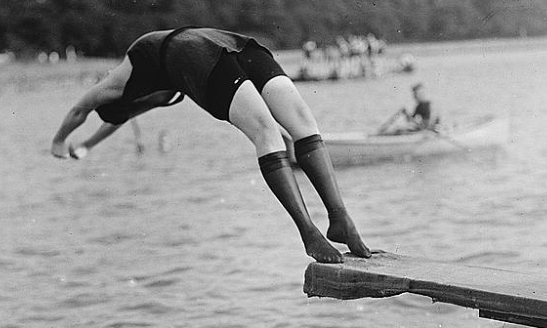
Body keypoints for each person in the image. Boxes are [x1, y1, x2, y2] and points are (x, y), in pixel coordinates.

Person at [50, 27, 370, 264]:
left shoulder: (117, 85)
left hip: (204, 52)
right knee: (288, 126)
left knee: (282, 127)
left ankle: (326, 225)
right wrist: (88, 145)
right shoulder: (149, 91)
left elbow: (80, 110)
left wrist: (59, 141)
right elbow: (116, 120)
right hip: (228, 44)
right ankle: (324, 226)